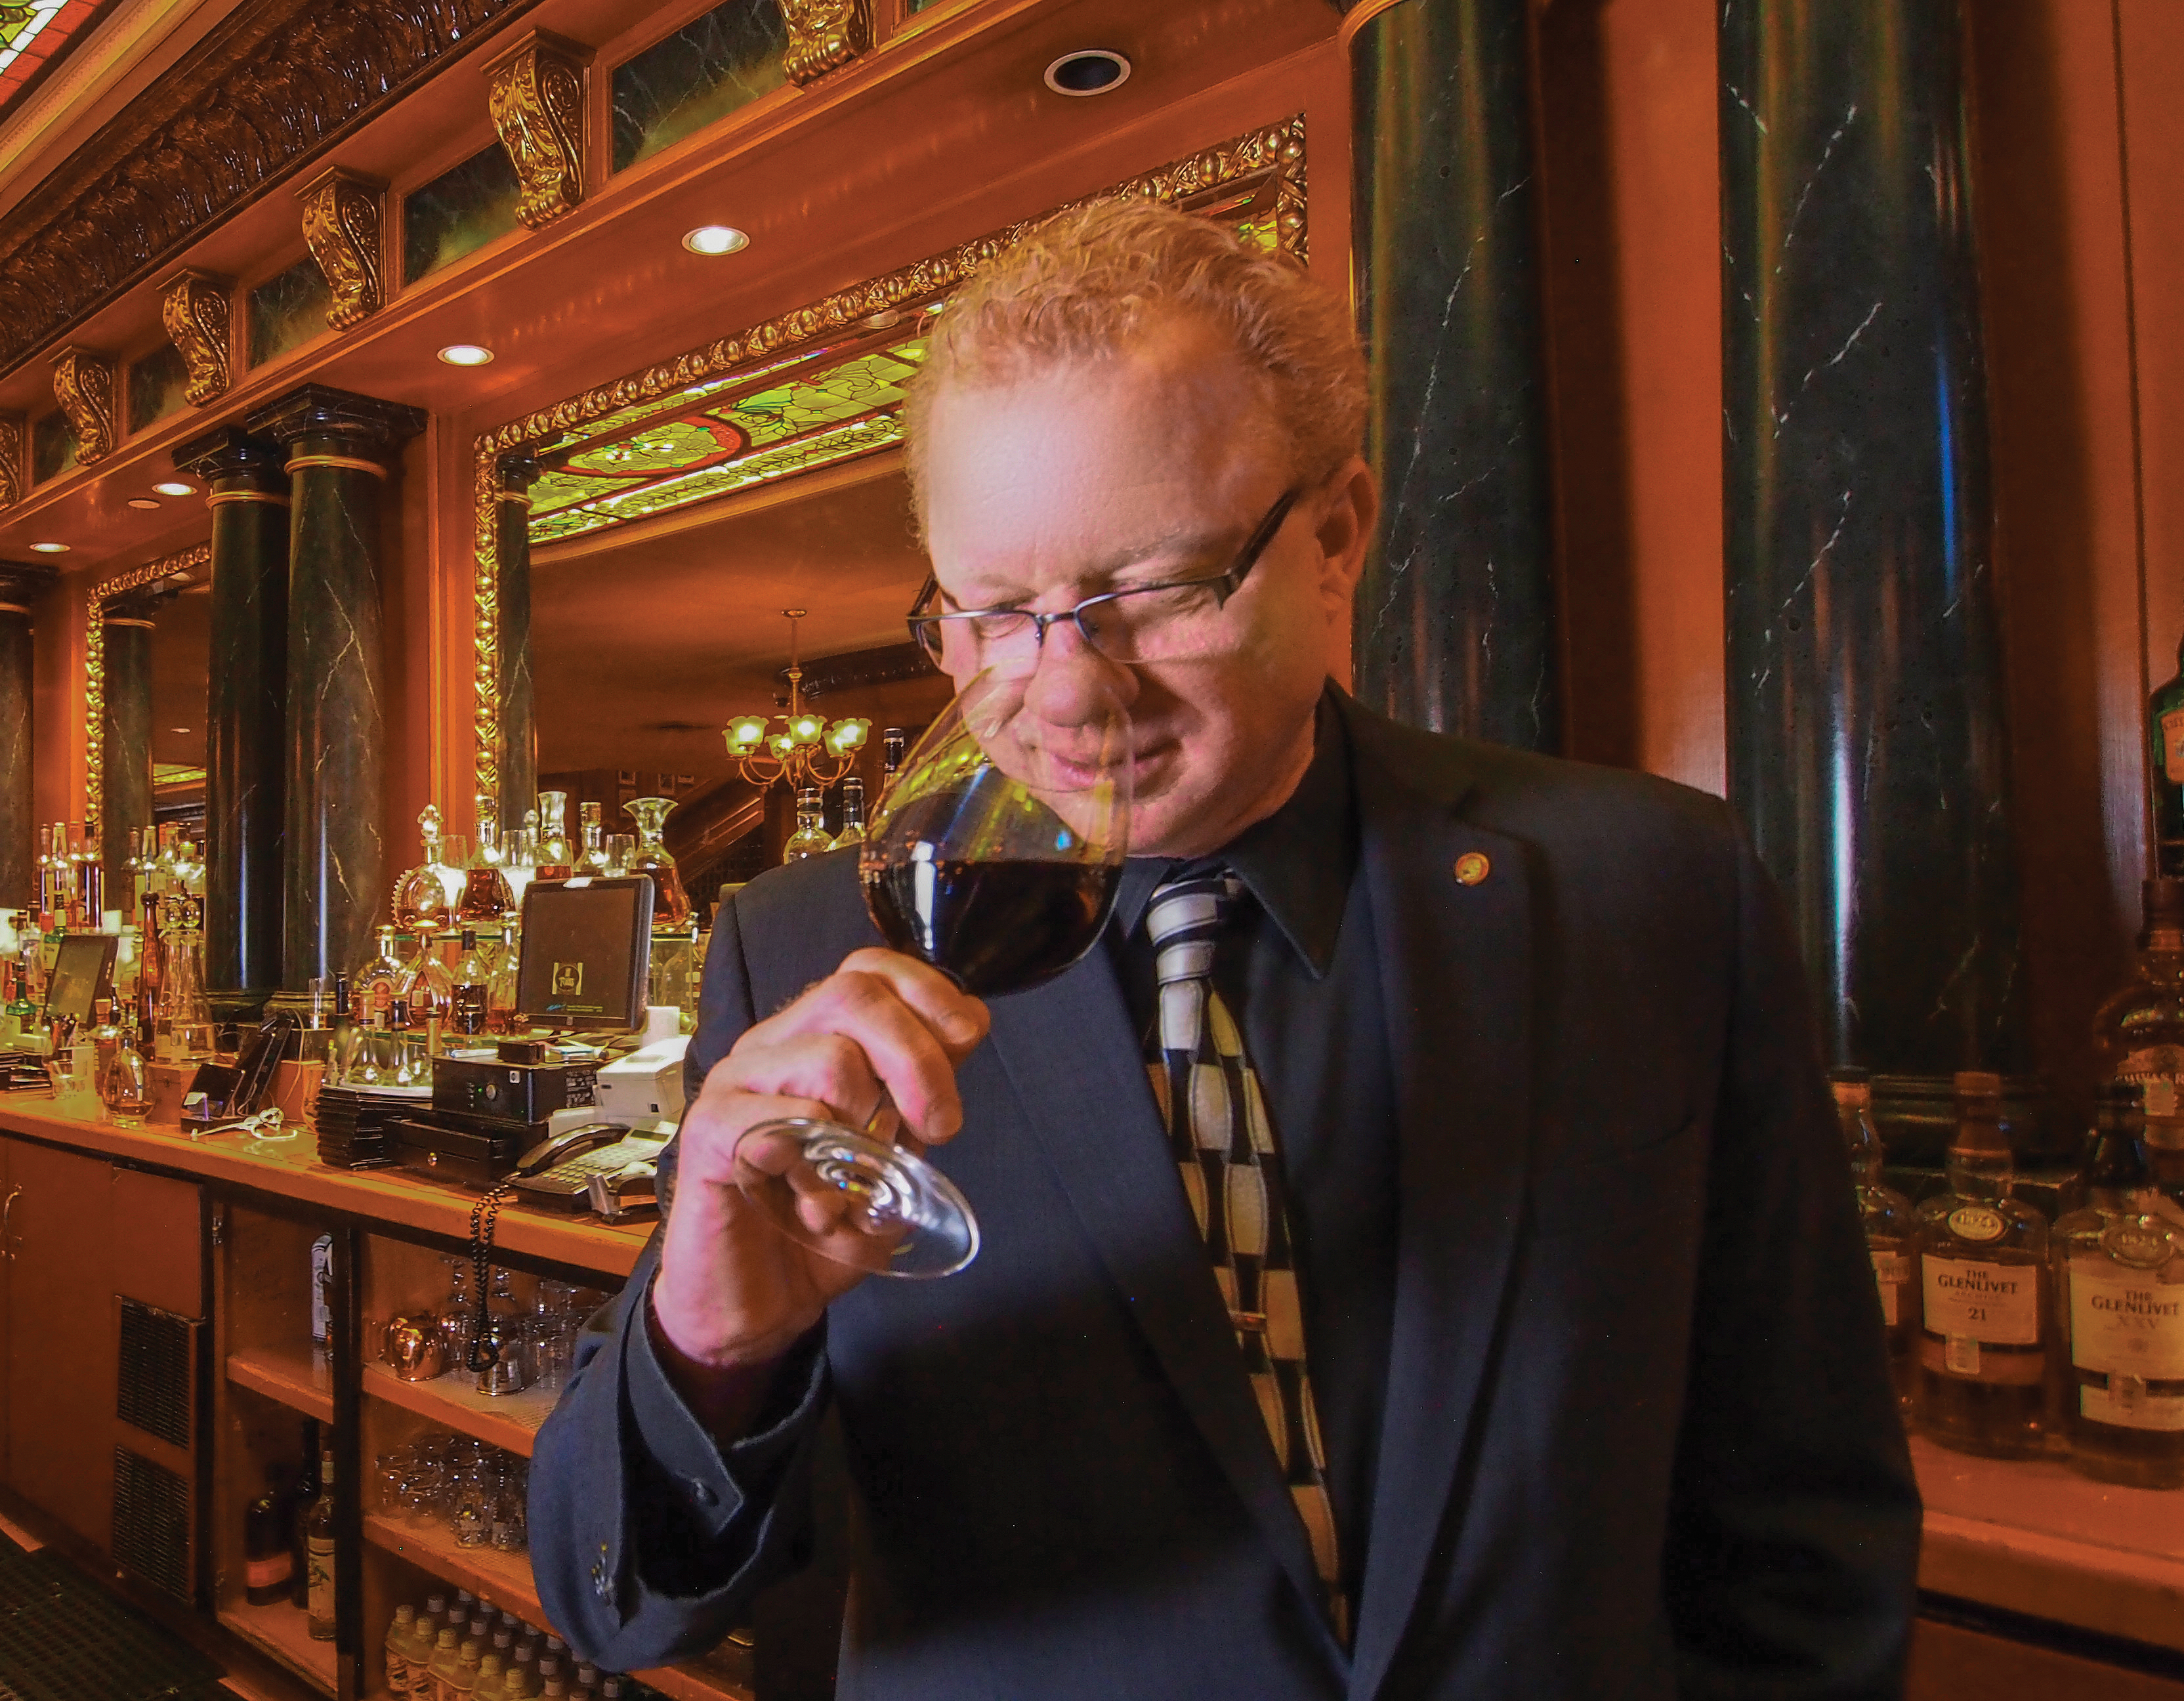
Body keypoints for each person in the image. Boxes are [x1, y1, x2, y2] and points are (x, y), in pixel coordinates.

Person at [528, 198, 1918, 1698]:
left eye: (1153, 591)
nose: (1063, 691)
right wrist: (708, 1345)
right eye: (994, 613)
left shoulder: (1653, 893)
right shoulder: (794, 952)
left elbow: (1805, 1525)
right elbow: (618, 1609)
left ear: (1334, 538)